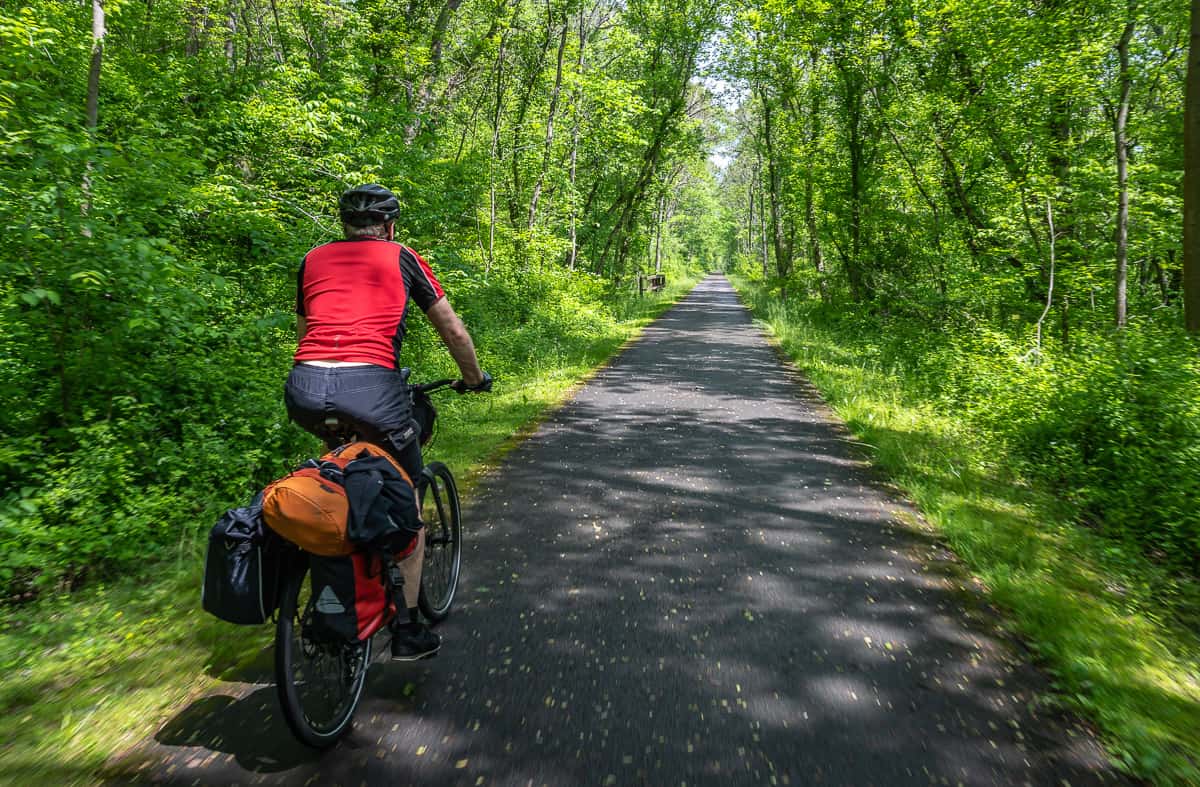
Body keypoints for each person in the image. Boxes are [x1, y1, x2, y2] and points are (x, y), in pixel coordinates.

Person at [284, 183, 491, 661]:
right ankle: (407, 630)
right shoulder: (402, 256)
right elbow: (452, 329)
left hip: (306, 387)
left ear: (343, 225)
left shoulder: (313, 259)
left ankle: (332, 587)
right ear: (391, 226)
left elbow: (305, 333)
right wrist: (474, 377)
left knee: (334, 483)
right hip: (372, 389)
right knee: (409, 504)